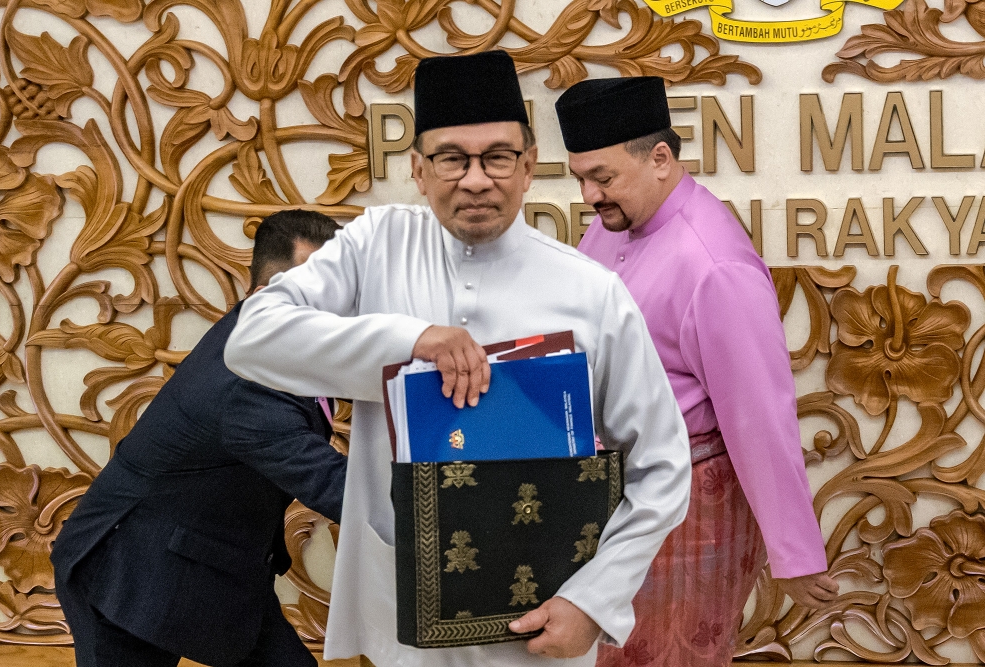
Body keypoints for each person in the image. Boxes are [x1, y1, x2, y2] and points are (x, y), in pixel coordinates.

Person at [224, 51, 691, 667]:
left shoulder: (592, 292)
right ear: (419, 169)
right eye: (452, 158)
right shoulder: (375, 247)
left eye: (497, 156)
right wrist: (410, 341)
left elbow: (661, 464)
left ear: (528, 167)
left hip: (542, 620)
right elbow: (252, 339)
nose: (476, 179)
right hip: (403, 613)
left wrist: (593, 602)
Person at [555, 76, 839, 667]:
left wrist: (795, 555)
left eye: (601, 177)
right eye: (580, 177)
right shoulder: (613, 224)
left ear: (660, 158)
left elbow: (760, 414)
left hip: (689, 512)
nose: (588, 195)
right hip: (613, 494)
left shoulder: (713, 264)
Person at [51, 209, 347, 667]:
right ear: (270, 293)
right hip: (126, 573)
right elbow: (339, 490)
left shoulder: (269, 332)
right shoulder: (249, 385)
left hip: (217, 562)